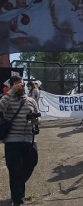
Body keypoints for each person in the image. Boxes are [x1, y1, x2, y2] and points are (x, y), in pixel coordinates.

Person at [0, 76, 39, 206]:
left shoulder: (31, 101)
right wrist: (11, 92)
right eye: (16, 84)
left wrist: (35, 120)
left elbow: (39, 119)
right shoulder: (7, 99)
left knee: (32, 163)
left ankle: (17, 186)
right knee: (15, 170)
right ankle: (17, 201)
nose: (20, 86)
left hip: (29, 139)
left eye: (21, 84)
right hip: (12, 141)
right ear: (11, 86)